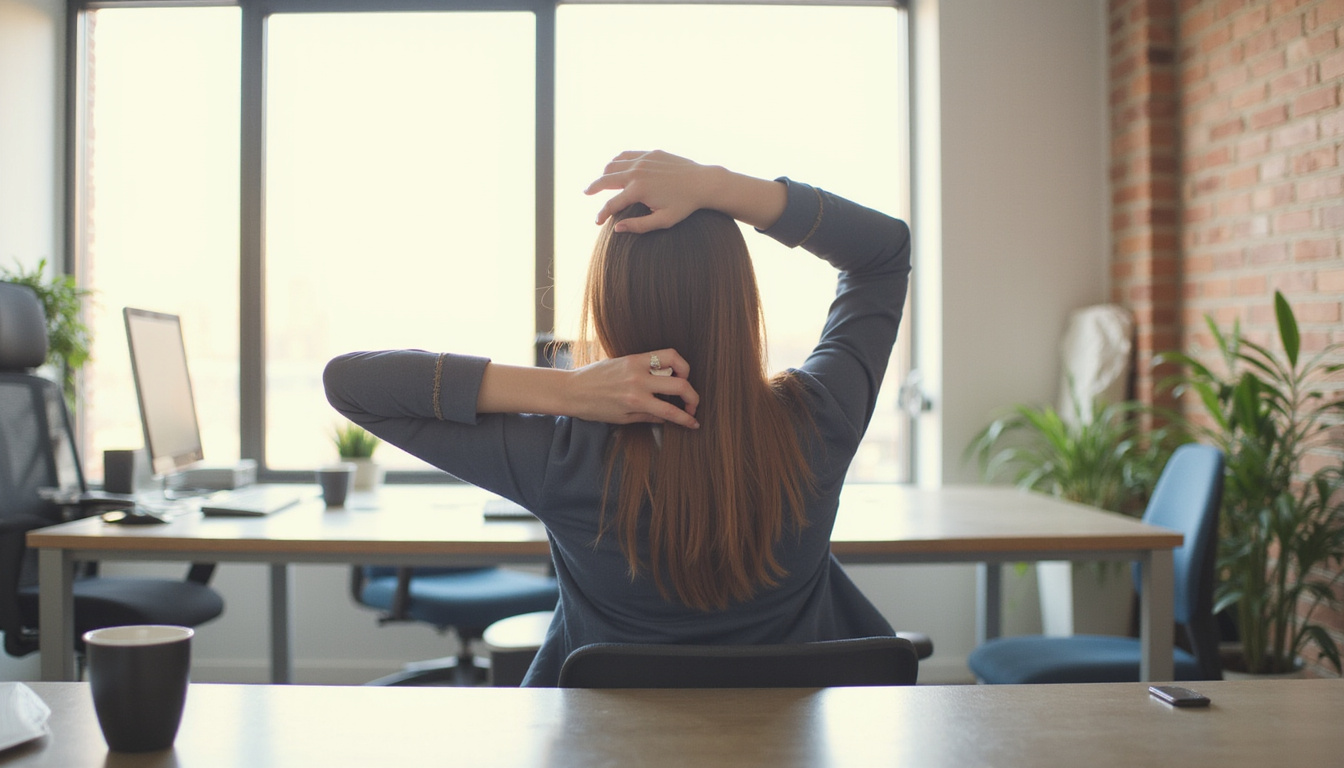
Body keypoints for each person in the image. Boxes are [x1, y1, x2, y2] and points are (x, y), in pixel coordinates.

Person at [323, 150, 912, 686]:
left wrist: (569, 390)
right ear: (741, 299)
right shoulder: (817, 423)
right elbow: (883, 251)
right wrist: (718, 186)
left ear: (607, 303)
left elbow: (352, 385)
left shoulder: (566, 458)